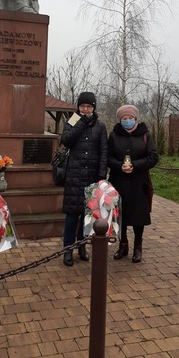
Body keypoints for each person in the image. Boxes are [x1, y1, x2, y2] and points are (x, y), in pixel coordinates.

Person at [61, 92, 108, 266]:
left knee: (87, 215)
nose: (85, 109)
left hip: (92, 176)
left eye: (88, 106)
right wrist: (80, 124)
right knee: (72, 215)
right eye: (82, 106)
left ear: (94, 107)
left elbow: (104, 151)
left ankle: (82, 247)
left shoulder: (100, 126)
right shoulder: (73, 120)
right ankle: (67, 249)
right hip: (74, 175)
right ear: (78, 107)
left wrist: (101, 175)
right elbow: (66, 140)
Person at [108, 105, 158, 263]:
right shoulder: (114, 134)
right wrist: (119, 166)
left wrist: (136, 165)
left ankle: (138, 246)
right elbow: (108, 157)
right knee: (120, 214)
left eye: (130, 118)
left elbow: (153, 157)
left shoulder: (144, 134)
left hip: (139, 181)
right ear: (120, 120)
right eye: (124, 118)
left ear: (136, 119)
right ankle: (123, 245)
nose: (127, 121)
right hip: (119, 180)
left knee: (138, 215)